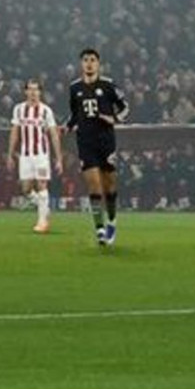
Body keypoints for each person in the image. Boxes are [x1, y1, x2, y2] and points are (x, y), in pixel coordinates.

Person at [66, 48, 127, 247]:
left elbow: (125, 106)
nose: (89, 63)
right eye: (85, 60)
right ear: (81, 64)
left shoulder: (108, 85)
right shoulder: (75, 88)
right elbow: (75, 114)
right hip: (85, 141)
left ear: (98, 64)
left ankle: (112, 222)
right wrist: (67, 126)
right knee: (93, 184)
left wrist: (115, 118)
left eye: (92, 60)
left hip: (106, 140)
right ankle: (99, 229)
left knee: (109, 185)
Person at [7, 78, 63, 234]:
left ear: (40, 92)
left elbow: (53, 135)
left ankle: (42, 222)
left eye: (36, 89)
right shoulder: (18, 109)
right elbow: (15, 132)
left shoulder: (46, 111)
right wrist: (10, 154)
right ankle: (43, 206)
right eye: (30, 89)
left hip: (41, 155)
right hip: (25, 155)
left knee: (42, 185)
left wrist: (59, 158)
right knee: (25, 189)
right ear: (25, 92)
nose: (33, 93)